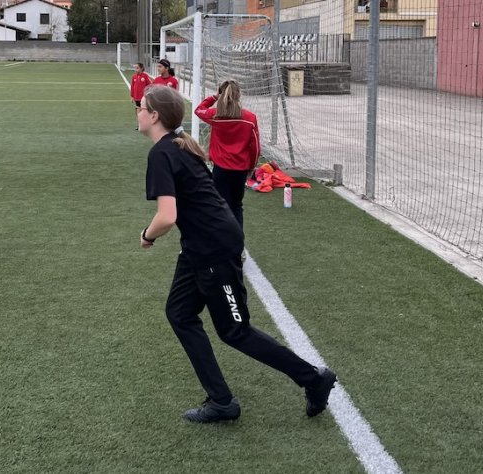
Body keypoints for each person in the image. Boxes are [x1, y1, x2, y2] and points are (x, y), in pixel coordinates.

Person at [137, 84, 337, 423]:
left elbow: (167, 216)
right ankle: (221, 400)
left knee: (234, 330)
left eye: (141, 107)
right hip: (199, 248)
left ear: (154, 116)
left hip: (215, 249)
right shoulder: (176, 146)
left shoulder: (164, 152)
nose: (137, 112)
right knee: (180, 314)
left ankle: (313, 378)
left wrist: (147, 236)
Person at [194, 80, 260, 230]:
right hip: (240, 170)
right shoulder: (250, 118)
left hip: (221, 169)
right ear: (239, 95)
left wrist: (214, 97)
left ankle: (222, 242)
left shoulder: (216, 116)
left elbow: (199, 110)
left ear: (221, 95)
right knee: (236, 205)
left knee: (221, 206)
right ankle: (238, 244)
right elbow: (255, 148)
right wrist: (251, 167)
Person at [130, 63, 152, 130]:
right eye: (135, 68)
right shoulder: (134, 76)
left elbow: (150, 85)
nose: (135, 69)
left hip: (143, 98)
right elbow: (132, 87)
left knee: (144, 111)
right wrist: (132, 96)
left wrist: (147, 94)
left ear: (141, 68)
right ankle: (139, 125)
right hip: (136, 97)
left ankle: (147, 125)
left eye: (137, 68)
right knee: (137, 111)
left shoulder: (145, 76)